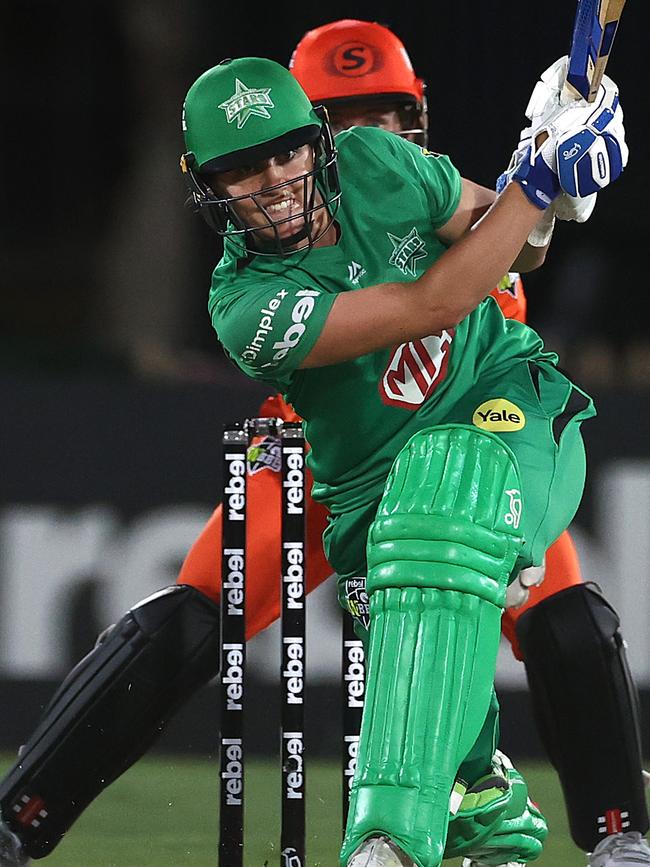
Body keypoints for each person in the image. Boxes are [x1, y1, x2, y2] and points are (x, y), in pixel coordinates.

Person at [0, 28, 630, 867]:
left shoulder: (385, 167)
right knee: (201, 601)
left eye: (293, 151)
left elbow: (510, 249)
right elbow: (434, 299)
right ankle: (18, 820)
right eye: (244, 169)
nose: (275, 186)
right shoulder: (247, 303)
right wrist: (540, 181)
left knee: (488, 543)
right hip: (341, 456)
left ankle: (617, 836)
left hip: (483, 420)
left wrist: (554, 190)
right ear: (213, 184)